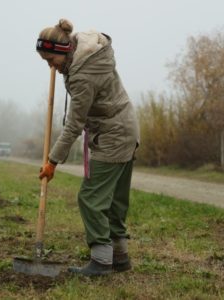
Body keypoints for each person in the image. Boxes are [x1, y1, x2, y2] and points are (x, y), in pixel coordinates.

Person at [37, 19, 139, 276]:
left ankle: (102, 262)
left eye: (52, 60)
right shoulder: (83, 50)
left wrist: (52, 161)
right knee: (114, 200)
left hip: (113, 135)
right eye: (46, 62)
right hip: (125, 128)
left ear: (63, 52)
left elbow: (73, 126)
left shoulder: (83, 75)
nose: (51, 67)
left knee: (91, 198)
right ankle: (120, 257)